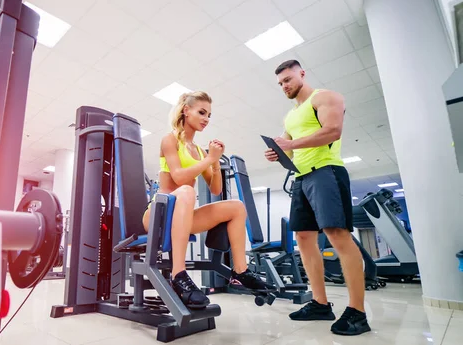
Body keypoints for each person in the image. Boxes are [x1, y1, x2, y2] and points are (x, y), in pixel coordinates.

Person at [265, 60, 371, 336]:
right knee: (303, 237)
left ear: (302, 74)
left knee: (337, 234)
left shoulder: (325, 97)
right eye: (280, 84)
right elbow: (288, 150)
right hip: (301, 177)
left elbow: (332, 131)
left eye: (288, 79)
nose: (284, 86)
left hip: (326, 171)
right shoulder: (290, 117)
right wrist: (278, 153)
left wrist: (289, 144)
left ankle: (358, 312)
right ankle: (320, 303)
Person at [142, 91, 268, 309]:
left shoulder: (200, 151)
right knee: (186, 191)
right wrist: (210, 158)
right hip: (159, 215)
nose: (206, 119)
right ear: (185, 110)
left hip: (183, 215)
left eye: (209, 115)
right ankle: (178, 274)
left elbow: (216, 189)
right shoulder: (169, 139)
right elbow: (180, 177)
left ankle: (240, 271)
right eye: (201, 112)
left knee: (236, 207)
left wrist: (215, 163)